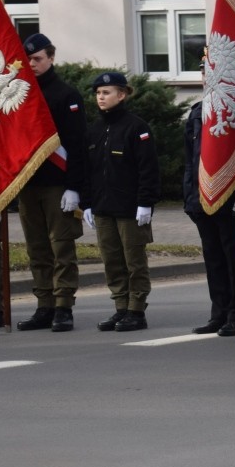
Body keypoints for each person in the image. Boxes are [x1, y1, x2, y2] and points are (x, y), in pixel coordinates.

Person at [15, 33, 87, 332]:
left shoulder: (66, 95)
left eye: (37, 59)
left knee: (61, 248)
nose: (32, 64)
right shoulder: (19, 93)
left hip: (58, 183)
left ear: (51, 57)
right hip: (29, 182)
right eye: (28, 59)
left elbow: (77, 145)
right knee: (37, 248)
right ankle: (44, 305)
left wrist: (74, 186)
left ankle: (63, 306)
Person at [83, 72, 161, 332]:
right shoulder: (94, 129)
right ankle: (120, 307)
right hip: (103, 207)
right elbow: (89, 170)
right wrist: (87, 203)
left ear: (122, 94)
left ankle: (136, 310)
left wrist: (145, 203)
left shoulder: (136, 127)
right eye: (98, 93)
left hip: (130, 209)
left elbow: (148, 169)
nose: (100, 97)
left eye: (106, 92)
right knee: (112, 260)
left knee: (134, 261)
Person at [183, 56, 235, 337]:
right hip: (201, 196)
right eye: (203, 73)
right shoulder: (197, 112)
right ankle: (218, 312)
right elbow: (190, 160)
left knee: (233, 257)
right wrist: (189, 197)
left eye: (210, 72)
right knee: (213, 258)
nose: (205, 77)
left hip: (229, 197)